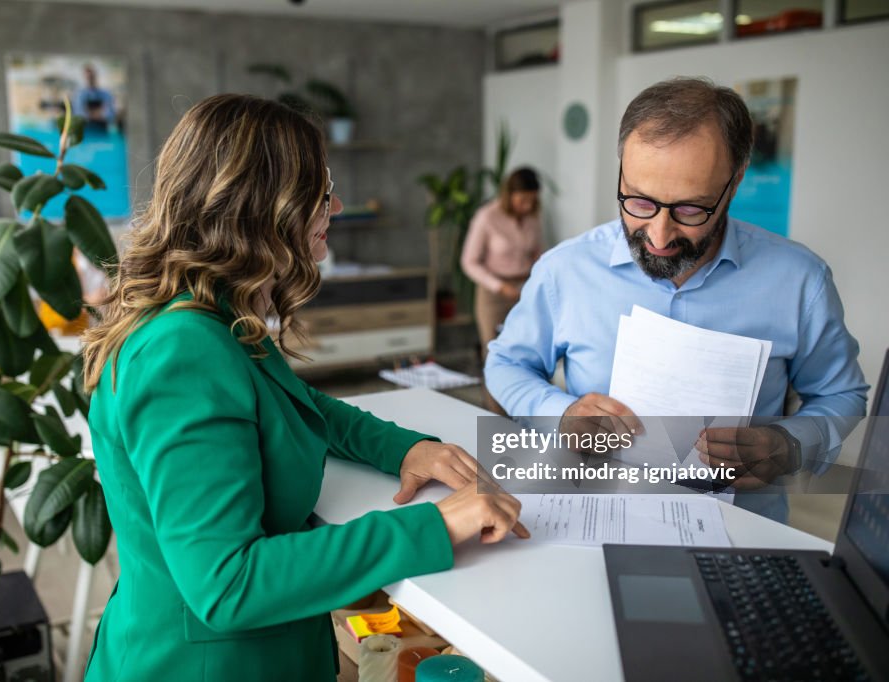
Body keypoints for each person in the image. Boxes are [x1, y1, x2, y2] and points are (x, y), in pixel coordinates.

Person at [80, 94, 528, 681]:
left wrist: (406, 449)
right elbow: (229, 583)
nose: (336, 206)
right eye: (320, 195)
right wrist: (439, 525)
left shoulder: (212, 311)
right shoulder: (183, 351)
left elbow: (297, 402)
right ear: (261, 208)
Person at [485, 77, 868, 522]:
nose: (659, 235)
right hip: (591, 519)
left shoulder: (801, 280)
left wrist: (791, 444)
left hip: (743, 532)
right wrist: (559, 414)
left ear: (735, 182)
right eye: (639, 202)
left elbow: (841, 393)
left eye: (690, 209)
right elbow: (505, 364)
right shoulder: (565, 270)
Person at [461, 167, 543, 414]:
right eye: (522, 200)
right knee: (495, 353)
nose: (527, 206)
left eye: (532, 200)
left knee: (528, 350)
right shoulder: (487, 217)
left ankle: (526, 411)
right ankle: (496, 414)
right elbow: (469, 262)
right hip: (493, 294)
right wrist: (500, 286)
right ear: (509, 194)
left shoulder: (533, 218)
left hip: (525, 290)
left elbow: (539, 252)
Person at [73, 64, 116, 132]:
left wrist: (91, 114)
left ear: (96, 76)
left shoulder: (106, 94)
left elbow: (110, 114)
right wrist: (98, 113)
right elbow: (78, 115)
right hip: (86, 131)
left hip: (102, 131)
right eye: (88, 77)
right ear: (84, 77)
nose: (90, 79)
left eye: (92, 76)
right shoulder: (79, 94)